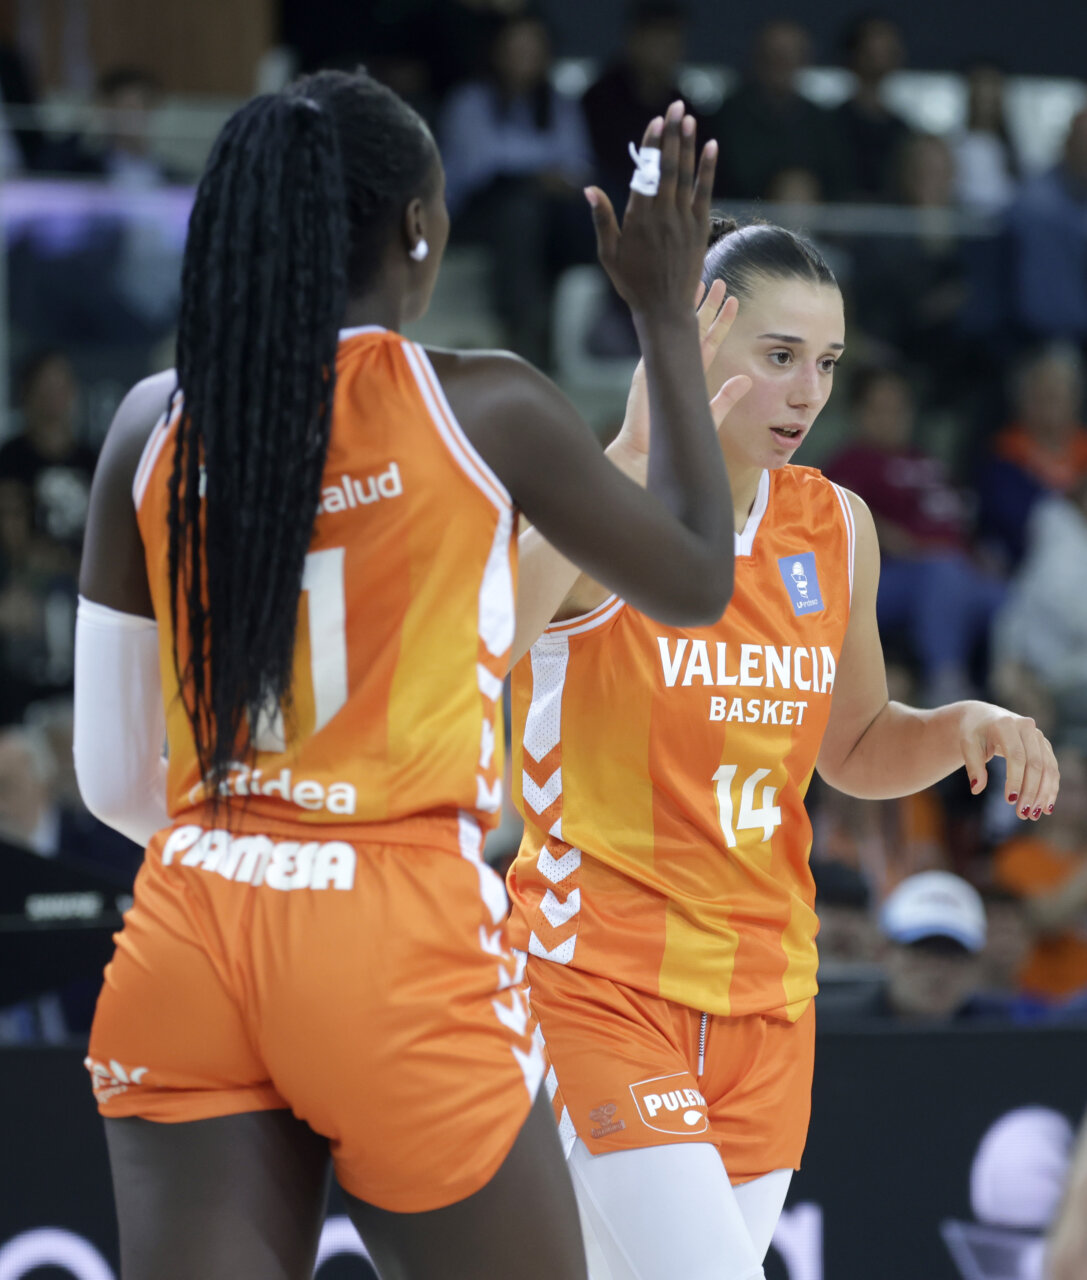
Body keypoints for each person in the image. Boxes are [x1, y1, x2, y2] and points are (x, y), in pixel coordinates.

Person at [73, 73, 744, 1280]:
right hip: (391, 923)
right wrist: (659, 318)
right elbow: (697, 574)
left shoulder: (149, 422)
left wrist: (260, 851)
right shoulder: (479, 403)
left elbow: (117, 777)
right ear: (421, 231)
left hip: (190, 920)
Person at [507, 218, 1059, 1280]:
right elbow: (472, 641)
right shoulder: (600, 497)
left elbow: (850, 744)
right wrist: (619, 460)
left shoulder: (835, 523)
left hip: (770, 1001)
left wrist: (959, 728)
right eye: (779, 357)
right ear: (698, 345)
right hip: (599, 982)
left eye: (826, 363)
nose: (809, 392)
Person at [825, 364, 1005, 705]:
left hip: (955, 570)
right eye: (881, 409)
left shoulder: (926, 460)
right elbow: (842, 518)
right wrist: (896, 540)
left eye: (899, 408)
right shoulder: (851, 461)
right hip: (890, 577)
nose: (893, 418)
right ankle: (945, 682)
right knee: (940, 571)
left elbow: (958, 521)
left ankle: (1015, 686)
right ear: (859, 413)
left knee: (1009, 597)